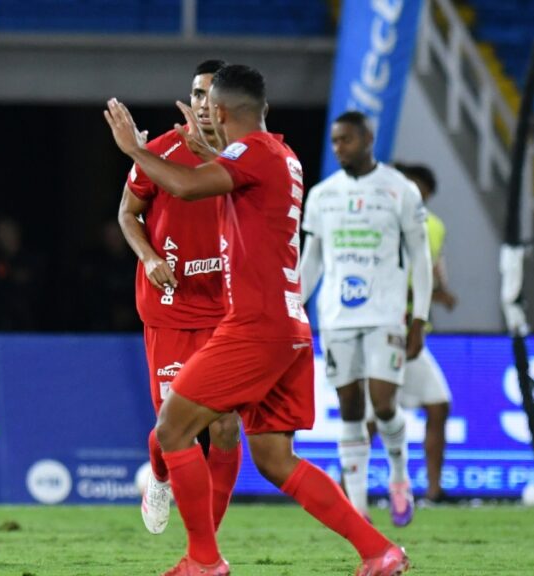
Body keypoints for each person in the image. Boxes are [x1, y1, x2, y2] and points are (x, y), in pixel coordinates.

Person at [105, 65, 409, 576]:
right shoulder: (282, 156)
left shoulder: (255, 154)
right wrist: (205, 152)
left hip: (254, 325)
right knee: (273, 458)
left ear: (221, 113)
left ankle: (203, 559)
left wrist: (134, 149)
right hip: (289, 326)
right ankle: (379, 550)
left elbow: (184, 185)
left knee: (173, 429)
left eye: (211, 109)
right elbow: (233, 179)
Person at [117, 59, 241, 536]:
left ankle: (207, 539)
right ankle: (161, 477)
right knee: (175, 427)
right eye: (195, 94)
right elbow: (128, 214)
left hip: (226, 313)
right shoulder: (162, 150)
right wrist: (149, 258)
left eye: (210, 95)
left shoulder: (246, 156)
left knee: (226, 426)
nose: (201, 103)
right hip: (169, 310)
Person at [299, 111, 433, 527]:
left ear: (368, 139)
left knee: (384, 403)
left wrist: (419, 319)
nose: (339, 148)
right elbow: (313, 259)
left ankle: (398, 476)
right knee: (350, 407)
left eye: (347, 140)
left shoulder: (400, 191)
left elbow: (421, 257)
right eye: (335, 141)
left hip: (386, 315)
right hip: (336, 317)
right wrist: (295, 305)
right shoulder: (322, 195)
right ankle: (357, 513)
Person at [391, 162, 456, 503]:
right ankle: (348, 488)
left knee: (437, 405)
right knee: (376, 414)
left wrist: (441, 291)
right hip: (387, 328)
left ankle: (433, 490)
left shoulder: (434, 226)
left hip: (413, 331)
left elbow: (431, 267)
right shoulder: (386, 220)